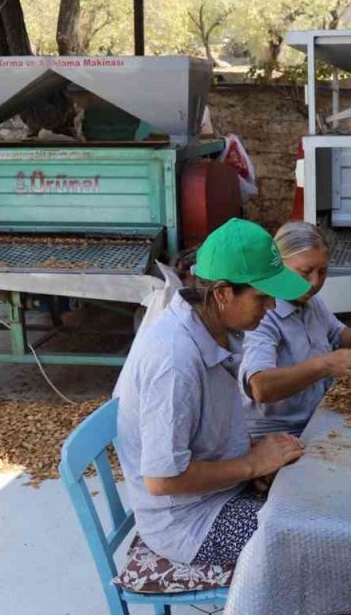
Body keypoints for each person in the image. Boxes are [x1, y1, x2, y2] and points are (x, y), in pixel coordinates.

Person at [114, 218, 311, 566]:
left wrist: (250, 456)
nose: (270, 309)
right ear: (221, 293)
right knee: (307, 544)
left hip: (218, 491)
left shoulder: (215, 325)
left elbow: (207, 426)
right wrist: (250, 464)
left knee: (313, 495)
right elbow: (162, 480)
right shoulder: (173, 361)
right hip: (187, 521)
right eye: (262, 298)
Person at [239, 221, 351, 438]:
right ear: (277, 267)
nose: (315, 282)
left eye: (323, 272)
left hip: (318, 415)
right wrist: (324, 365)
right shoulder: (262, 315)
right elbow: (261, 387)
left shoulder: (310, 302)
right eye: (305, 272)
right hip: (277, 436)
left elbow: (336, 331)